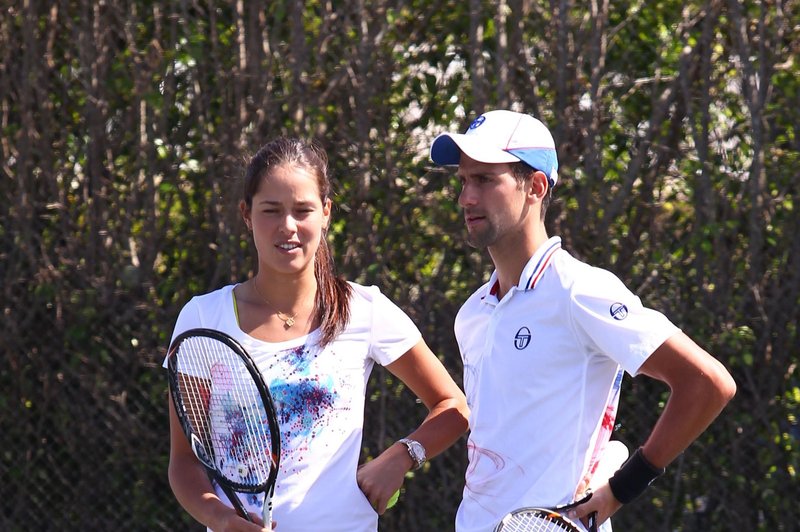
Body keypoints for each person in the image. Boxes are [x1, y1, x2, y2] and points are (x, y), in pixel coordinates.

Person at [429, 110, 737, 532]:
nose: (466, 197)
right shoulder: (472, 313)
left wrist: (621, 489)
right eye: (464, 180)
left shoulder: (579, 290)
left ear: (535, 186)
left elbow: (707, 383)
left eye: (485, 180)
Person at [165, 136, 469, 532]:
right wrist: (221, 520)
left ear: (325, 213)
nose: (287, 226)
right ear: (246, 214)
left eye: (303, 210)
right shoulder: (202, 318)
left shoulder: (365, 310)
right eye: (271, 210)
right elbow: (185, 462)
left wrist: (402, 456)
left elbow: (454, 407)